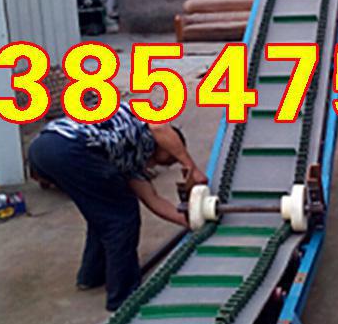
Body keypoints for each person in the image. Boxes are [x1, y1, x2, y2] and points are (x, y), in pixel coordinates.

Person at [28, 102, 207, 311]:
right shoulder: (146, 121)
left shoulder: (130, 161)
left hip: (43, 150)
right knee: (121, 218)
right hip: (70, 146)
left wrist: (190, 220)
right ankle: (123, 297)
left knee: (104, 213)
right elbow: (160, 127)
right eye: (168, 159)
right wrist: (190, 166)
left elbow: (153, 200)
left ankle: (93, 275)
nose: (159, 165)